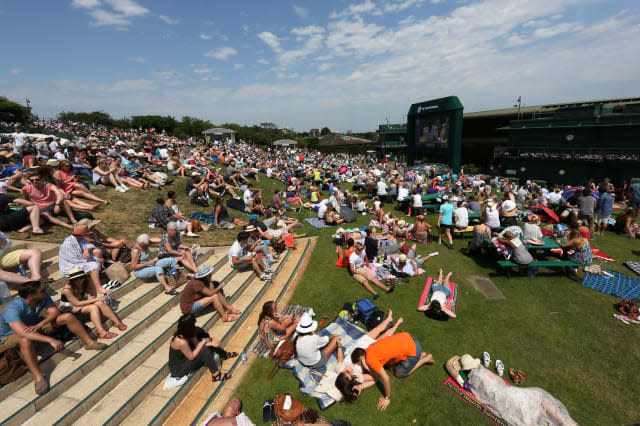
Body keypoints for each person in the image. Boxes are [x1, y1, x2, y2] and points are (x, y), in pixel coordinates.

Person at [0, 281, 107, 395]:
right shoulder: (12, 310)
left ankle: (89, 343)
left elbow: (54, 311)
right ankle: (39, 377)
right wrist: (50, 340)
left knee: (67, 317)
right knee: (25, 339)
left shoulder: (42, 295)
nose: (45, 291)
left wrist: (41, 324)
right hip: (10, 336)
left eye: (44, 288)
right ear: (31, 296)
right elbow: (23, 333)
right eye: (42, 290)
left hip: (35, 325)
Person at [351, 331, 434, 411]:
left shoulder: (370, 360)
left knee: (398, 374)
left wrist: (387, 398)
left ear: (361, 359)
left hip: (413, 350)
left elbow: (385, 378)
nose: (361, 367)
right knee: (390, 366)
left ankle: (425, 359)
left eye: (359, 364)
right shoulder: (370, 347)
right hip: (408, 337)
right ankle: (419, 356)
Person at [334, 311, 404, 403]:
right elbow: (376, 378)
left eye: (346, 372)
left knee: (376, 330)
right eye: (350, 375)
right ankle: (397, 327)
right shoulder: (358, 377)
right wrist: (365, 368)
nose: (349, 371)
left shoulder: (339, 369)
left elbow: (340, 359)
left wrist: (339, 346)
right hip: (366, 353)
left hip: (358, 346)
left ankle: (388, 319)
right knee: (385, 336)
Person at [60, 268, 126, 339]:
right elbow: (76, 304)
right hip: (69, 309)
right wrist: (94, 300)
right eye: (75, 279)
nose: (79, 280)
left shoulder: (88, 280)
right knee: (94, 307)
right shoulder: (67, 290)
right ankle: (101, 332)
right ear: (71, 280)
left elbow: (93, 296)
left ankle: (117, 322)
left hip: (80, 304)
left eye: (81, 277)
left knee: (99, 303)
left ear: (84, 277)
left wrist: (94, 300)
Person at [169, 313, 234, 382]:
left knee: (207, 346)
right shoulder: (181, 341)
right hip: (178, 370)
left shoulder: (188, 332)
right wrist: (203, 342)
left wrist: (211, 343)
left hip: (186, 360)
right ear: (188, 327)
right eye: (193, 324)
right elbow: (192, 356)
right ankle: (216, 375)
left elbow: (197, 345)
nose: (195, 326)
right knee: (204, 350)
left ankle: (224, 355)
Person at [59, 223, 110, 294]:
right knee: (93, 265)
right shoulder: (68, 243)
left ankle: (98, 277)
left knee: (97, 253)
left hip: (80, 260)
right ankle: (98, 288)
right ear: (83, 234)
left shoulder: (81, 238)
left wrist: (87, 250)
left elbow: (90, 246)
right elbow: (74, 260)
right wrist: (92, 260)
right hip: (70, 265)